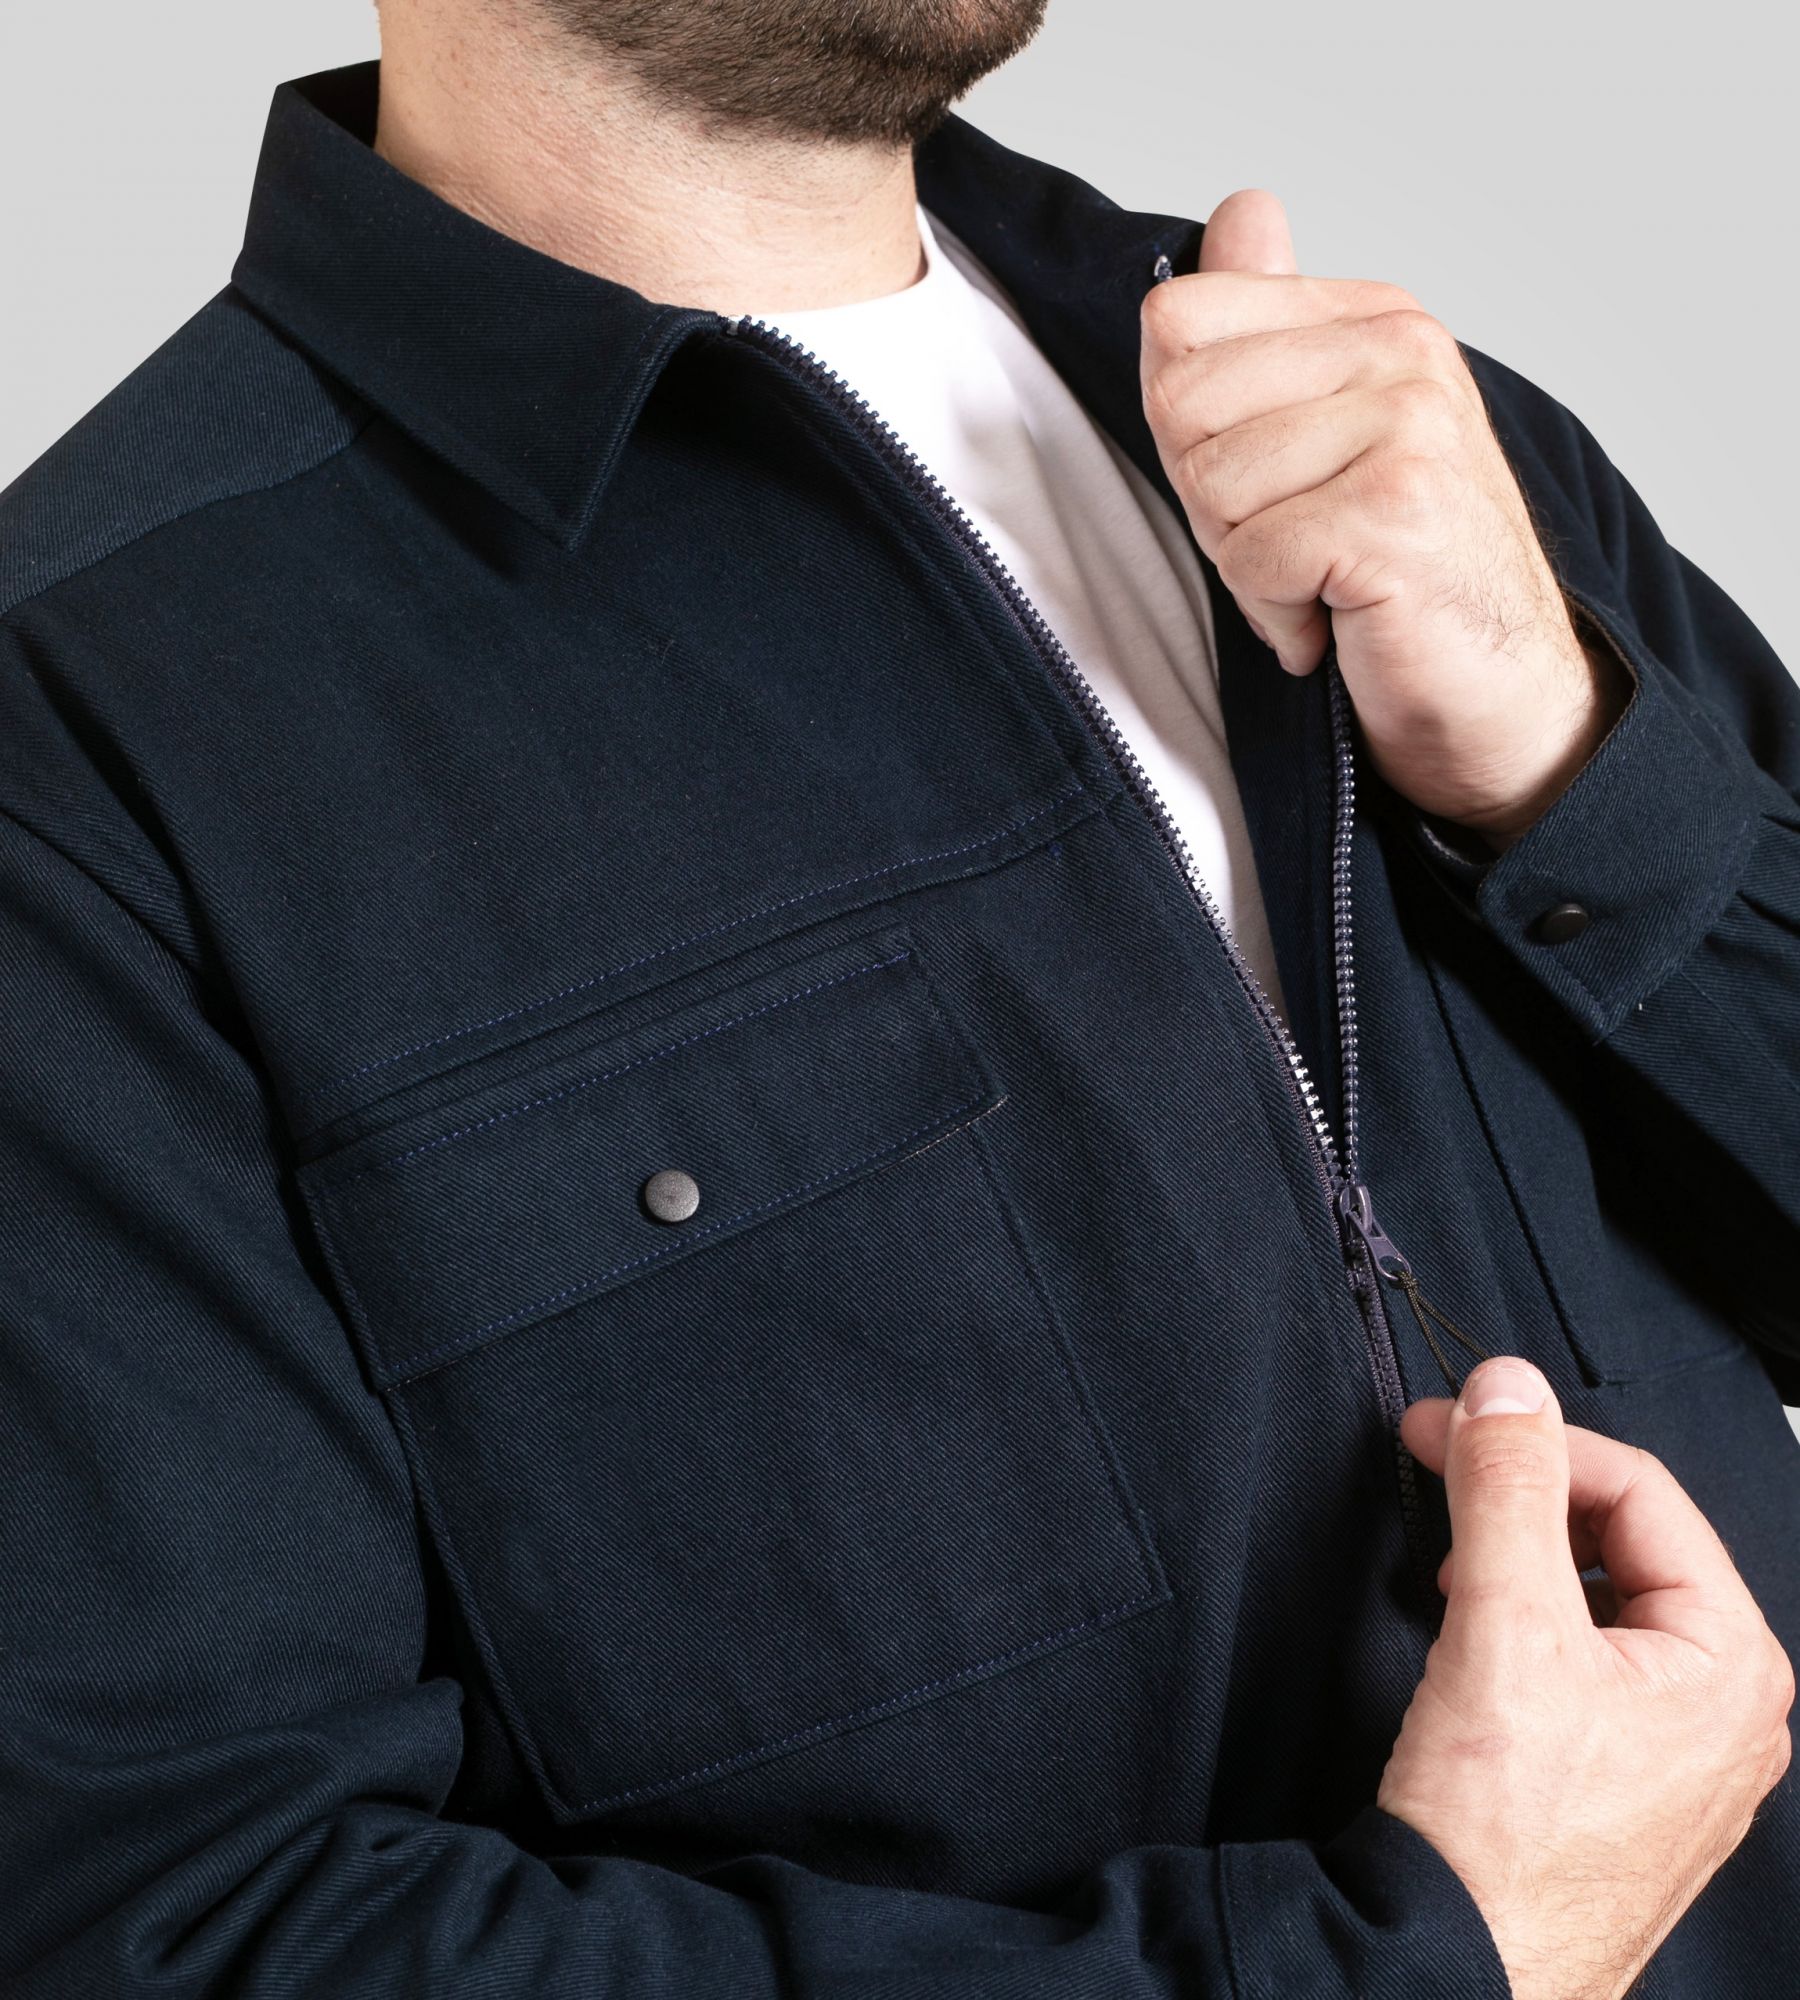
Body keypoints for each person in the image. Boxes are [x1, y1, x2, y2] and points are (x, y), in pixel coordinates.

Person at [0, 1, 1794, 1993]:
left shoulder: (1386, 421)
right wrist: (1419, 1962)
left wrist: (1570, 761)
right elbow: (181, 1919)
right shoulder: (86, 742)